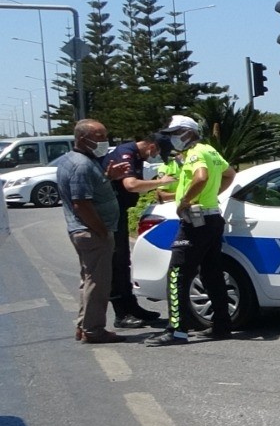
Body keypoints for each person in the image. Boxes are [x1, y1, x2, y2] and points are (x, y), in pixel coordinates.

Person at [147, 115, 236, 347]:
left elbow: (201, 177)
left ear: (187, 132)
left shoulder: (196, 152)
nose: (172, 139)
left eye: (175, 133)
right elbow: (230, 174)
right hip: (212, 217)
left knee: (177, 274)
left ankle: (177, 330)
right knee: (211, 272)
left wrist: (185, 201)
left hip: (195, 221)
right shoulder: (210, 150)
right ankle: (221, 325)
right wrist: (212, 195)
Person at [54, 119, 127, 344]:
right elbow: (81, 203)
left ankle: (83, 326)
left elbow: (90, 191)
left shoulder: (79, 160)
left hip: (85, 231)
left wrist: (108, 178)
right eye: (99, 137)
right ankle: (94, 330)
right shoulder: (81, 165)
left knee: (89, 280)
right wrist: (102, 231)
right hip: (91, 233)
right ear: (83, 138)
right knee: (98, 283)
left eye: (105, 136)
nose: (105, 141)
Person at [102, 133, 168, 328]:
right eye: (157, 152)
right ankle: (121, 314)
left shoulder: (135, 155)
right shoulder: (126, 153)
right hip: (112, 214)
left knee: (124, 263)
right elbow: (130, 185)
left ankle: (132, 307)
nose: (154, 156)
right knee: (116, 262)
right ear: (152, 146)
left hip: (119, 213)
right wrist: (161, 182)